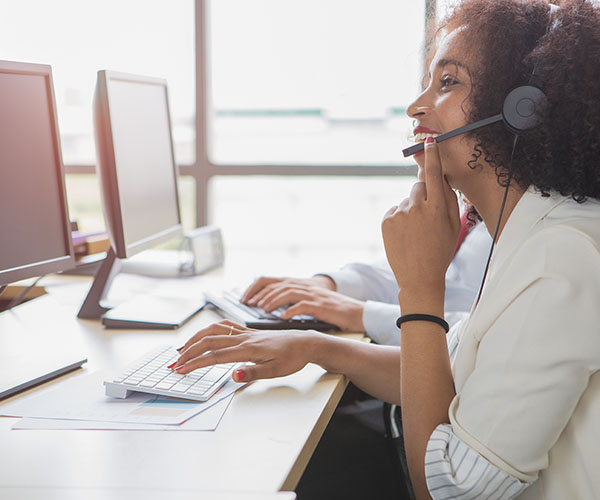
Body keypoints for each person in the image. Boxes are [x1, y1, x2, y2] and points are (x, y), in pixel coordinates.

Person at [173, 1, 600, 498]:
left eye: (448, 82)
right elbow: (452, 375)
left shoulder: (560, 256)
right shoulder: (535, 234)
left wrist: (420, 288)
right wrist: (313, 347)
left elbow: (447, 489)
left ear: (522, 111)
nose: (415, 108)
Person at [239, 212, 491, 345]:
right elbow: (442, 283)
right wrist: (328, 285)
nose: (415, 111)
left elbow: (480, 334)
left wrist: (358, 315)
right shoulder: (484, 216)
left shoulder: (522, 228)